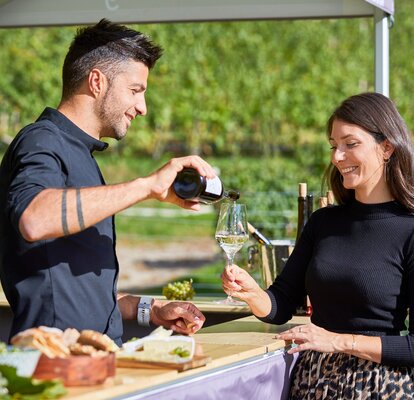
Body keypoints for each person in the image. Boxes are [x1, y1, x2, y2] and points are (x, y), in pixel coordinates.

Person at [0, 19, 213, 345]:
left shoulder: (82, 155)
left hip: (97, 360)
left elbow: (82, 292)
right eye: (135, 90)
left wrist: (152, 310)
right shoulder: (41, 140)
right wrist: (146, 186)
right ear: (97, 81)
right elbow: (33, 218)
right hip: (59, 368)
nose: (142, 107)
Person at [221, 92, 414, 398]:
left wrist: (337, 341)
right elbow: (282, 302)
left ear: (387, 147)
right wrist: (253, 293)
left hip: (377, 387)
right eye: (334, 146)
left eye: (350, 144)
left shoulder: (410, 230)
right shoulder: (323, 222)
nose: (337, 157)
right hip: (312, 381)